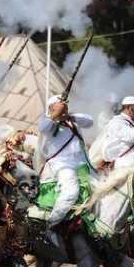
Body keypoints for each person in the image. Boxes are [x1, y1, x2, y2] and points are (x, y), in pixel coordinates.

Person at [38, 95, 93, 229]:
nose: (64, 109)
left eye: (65, 107)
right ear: (52, 108)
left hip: (81, 164)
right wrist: (55, 115)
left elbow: (90, 121)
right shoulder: (47, 120)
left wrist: (69, 116)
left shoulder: (72, 119)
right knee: (71, 193)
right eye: (60, 107)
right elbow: (43, 128)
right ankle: (51, 224)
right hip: (62, 165)